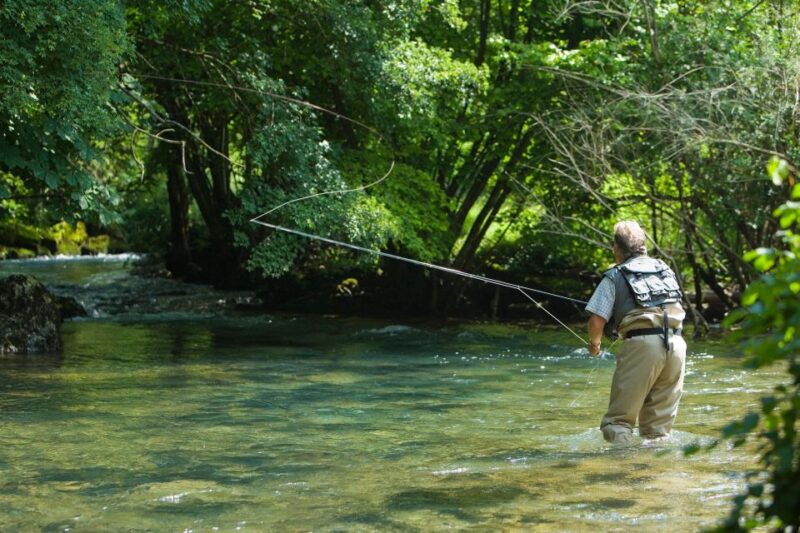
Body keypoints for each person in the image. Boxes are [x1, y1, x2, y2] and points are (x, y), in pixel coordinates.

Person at [585, 221, 687, 445]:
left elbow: (596, 321)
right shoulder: (664, 269)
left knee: (618, 422)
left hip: (642, 345)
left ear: (616, 249)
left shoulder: (615, 275)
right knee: (658, 429)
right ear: (643, 246)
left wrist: (594, 346)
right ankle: (653, 472)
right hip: (677, 344)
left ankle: (622, 474)